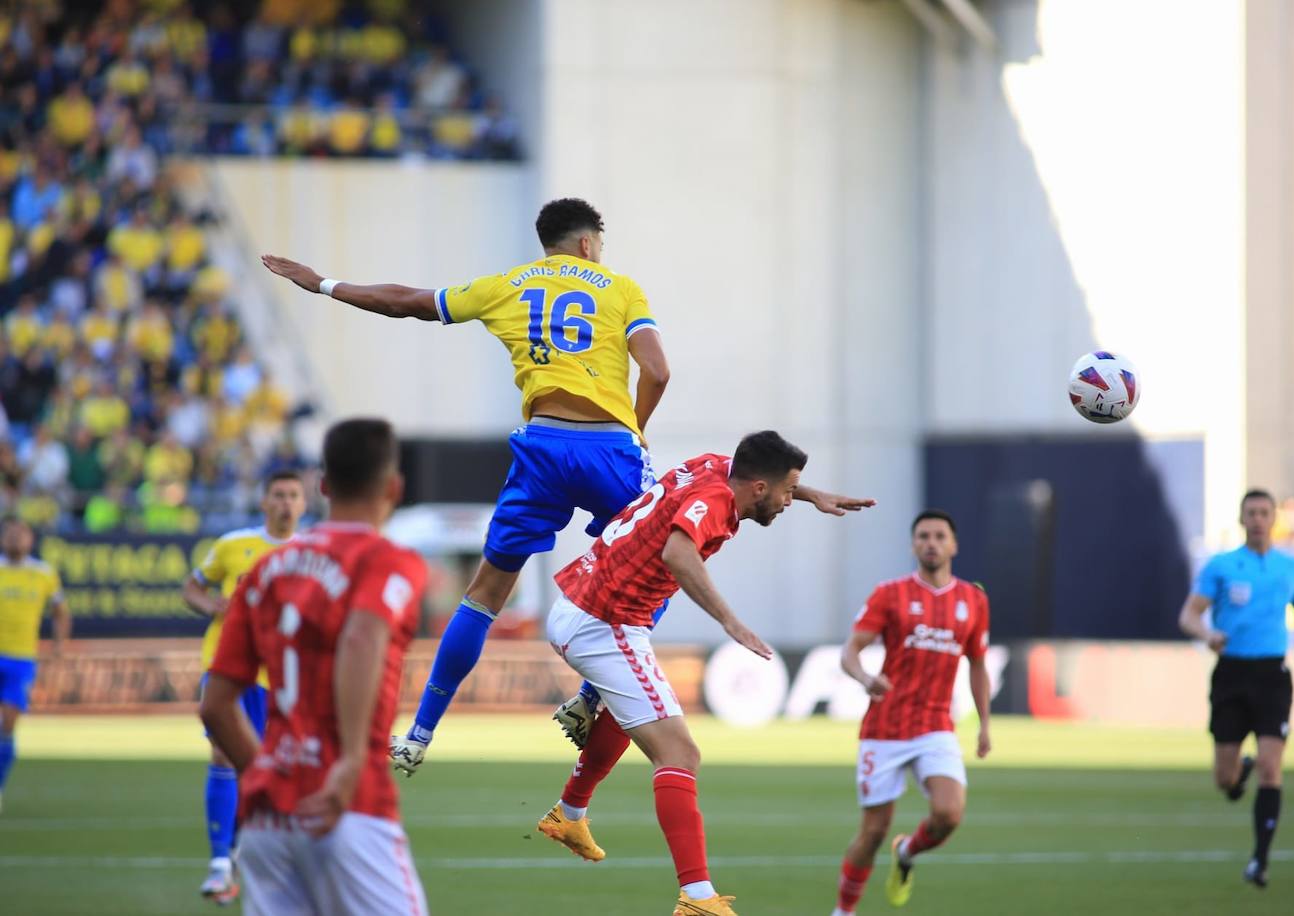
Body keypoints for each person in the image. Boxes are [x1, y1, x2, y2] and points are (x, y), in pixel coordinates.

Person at [261, 198, 674, 768]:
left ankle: (419, 735)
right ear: (587, 244)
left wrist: (325, 284)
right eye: (599, 245)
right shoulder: (620, 288)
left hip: (543, 448)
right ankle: (588, 695)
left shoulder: (506, 285)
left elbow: (406, 303)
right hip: (610, 448)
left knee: (484, 594)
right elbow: (658, 370)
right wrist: (638, 428)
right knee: (668, 558)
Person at [534, 431, 870, 916]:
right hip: (604, 623)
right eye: (788, 491)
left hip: (585, 600)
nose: (788, 500)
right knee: (680, 751)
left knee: (632, 718)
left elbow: (751, 483)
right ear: (758, 488)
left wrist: (813, 495)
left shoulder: (718, 466)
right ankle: (696, 900)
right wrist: (730, 621)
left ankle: (569, 813)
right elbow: (677, 552)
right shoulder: (716, 500)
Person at [200, 418, 429, 916]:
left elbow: (215, 704)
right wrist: (347, 763)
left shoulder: (264, 570)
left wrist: (260, 774)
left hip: (267, 820)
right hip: (350, 806)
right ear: (394, 488)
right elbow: (363, 635)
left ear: (322, 487)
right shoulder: (390, 561)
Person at [828, 509, 991, 916]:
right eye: (923, 536)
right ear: (913, 544)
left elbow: (978, 663)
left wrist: (985, 724)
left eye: (939, 536)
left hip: (936, 724)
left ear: (953, 545)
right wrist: (866, 679)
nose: (931, 543)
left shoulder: (973, 600)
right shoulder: (890, 593)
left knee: (948, 813)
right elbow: (850, 651)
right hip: (885, 727)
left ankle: (909, 850)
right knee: (872, 833)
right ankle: (843, 911)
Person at [1178, 488, 1294, 889]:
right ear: (1242, 520)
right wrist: (1206, 635)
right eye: (1251, 513)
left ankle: (1260, 860)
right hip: (1231, 674)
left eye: (1264, 512)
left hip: (1272, 676)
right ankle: (1237, 772)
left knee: (1271, 765)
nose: (1258, 519)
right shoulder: (1223, 566)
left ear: (1274, 518)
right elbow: (1189, 615)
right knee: (1224, 780)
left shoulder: (1289, 569)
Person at [182, 470, 307, 903]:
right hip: (227, 666)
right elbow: (192, 587)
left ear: (304, 504)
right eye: (278, 495)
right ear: (264, 502)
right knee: (223, 752)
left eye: (293, 496)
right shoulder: (232, 545)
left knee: (266, 766)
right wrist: (208, 604)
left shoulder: (313, 551)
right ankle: (219, 863)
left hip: (282, 675)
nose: (286, 503)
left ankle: (241, 850)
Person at [0, 518, 69, 814]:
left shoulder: (43, 574)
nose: (16, 538)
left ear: (30, 539)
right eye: (10, 533)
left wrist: (58, 645)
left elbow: (60, 612)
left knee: (8, 726)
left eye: (22, 533)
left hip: (21, 657)